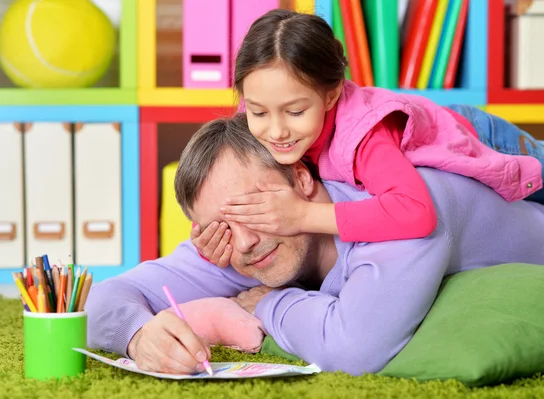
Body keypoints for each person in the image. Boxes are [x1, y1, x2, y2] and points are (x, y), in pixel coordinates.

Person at [86, 114, 544, 376]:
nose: (243, 242)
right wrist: (138, 335)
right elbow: (103, 300)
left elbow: (354, 350)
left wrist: (267, 303)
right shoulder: (238, 242)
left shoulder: (397, 208)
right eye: (222, 227)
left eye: (253, 209)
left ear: (302, 179)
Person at [191, 9, 544, 268]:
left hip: (482, 138)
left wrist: (303, 215)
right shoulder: (257, 120)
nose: (276, 131)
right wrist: (214, 238)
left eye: (296, 112)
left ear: (331, 96)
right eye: (259, 112)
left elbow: (417, 214)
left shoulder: (363, 138)